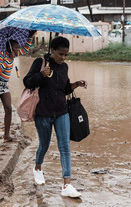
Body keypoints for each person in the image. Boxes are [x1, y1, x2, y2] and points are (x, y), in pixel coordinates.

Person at [23, 36, 87, 198]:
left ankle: (67, 185)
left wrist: (76, 84)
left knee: (64, 146)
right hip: (43, 113)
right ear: (52, 51)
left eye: (66, 55)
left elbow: (64, 89)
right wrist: (41, 75)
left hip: (61, 112)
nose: (63, 58)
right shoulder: (40, 63)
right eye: (60, 54)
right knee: (44, 145)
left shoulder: (64, 67)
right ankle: (37, 168)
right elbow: (27, 82)